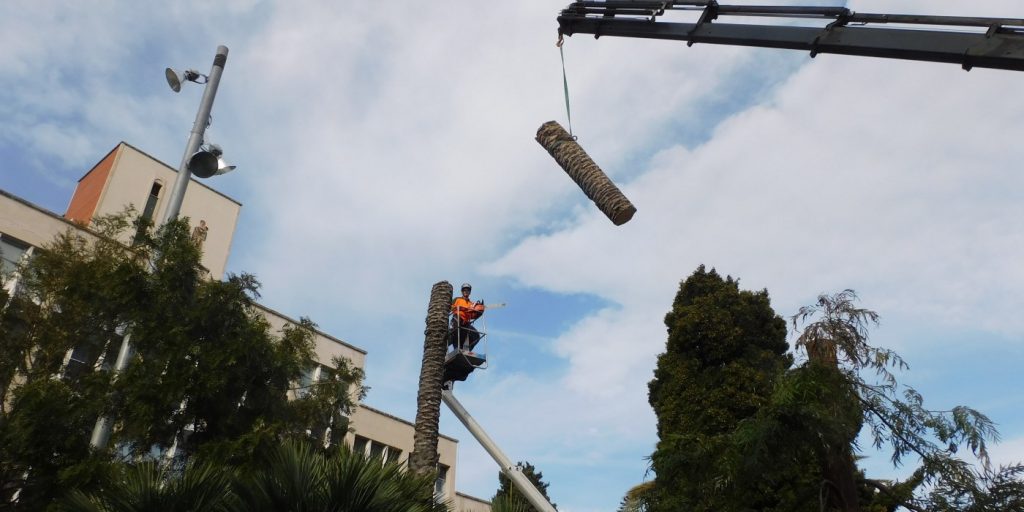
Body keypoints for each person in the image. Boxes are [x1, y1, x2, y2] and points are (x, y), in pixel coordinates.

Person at [450, 282, 484, 351]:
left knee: (476, 336)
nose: (466, 291)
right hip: (457, 319)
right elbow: (450, 308)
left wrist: (479, 311)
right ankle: (457, 350)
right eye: (464, 290)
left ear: (469, 292)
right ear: (462, 291)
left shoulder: (471, 304)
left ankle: (467, 350)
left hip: (466, 323)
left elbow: (472, 316)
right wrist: (461, 308)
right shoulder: (457, 299)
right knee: (456, 333)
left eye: (468, 290)